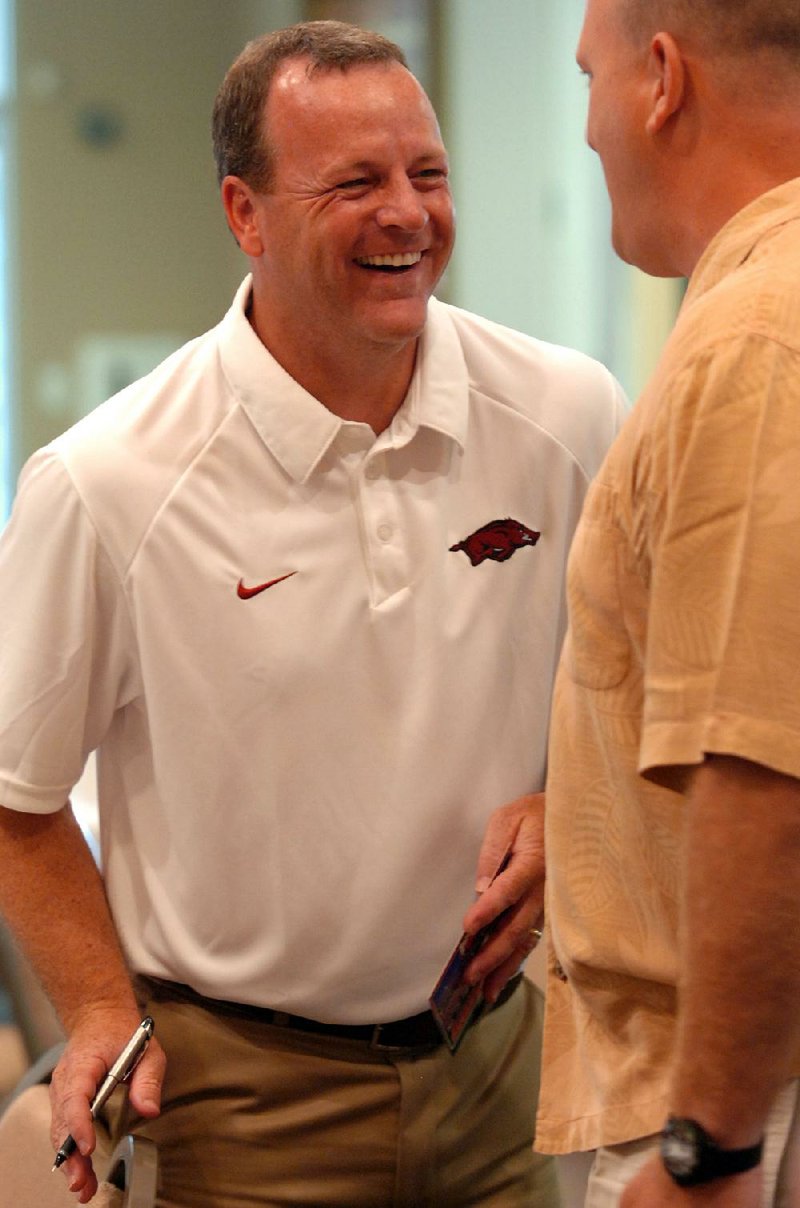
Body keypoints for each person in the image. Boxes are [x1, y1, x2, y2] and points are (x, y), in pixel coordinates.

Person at [0, 20, 625, 1208]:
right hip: (241, 1101)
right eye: (355, 183)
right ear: (245, 213)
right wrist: (95, 1004)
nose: (407, 214)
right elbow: (16, 794)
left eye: (426, 174)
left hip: (494, 1061)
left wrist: (568, 802)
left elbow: (633, 673)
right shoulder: (108, 481)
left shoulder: (566, 412)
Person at [535, 1, 800, 1205]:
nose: (588, 127)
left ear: (659, 79)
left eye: (588, 78)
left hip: (740, 1103)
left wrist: (709, 1148)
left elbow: (764, 766)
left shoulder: (755, 340)